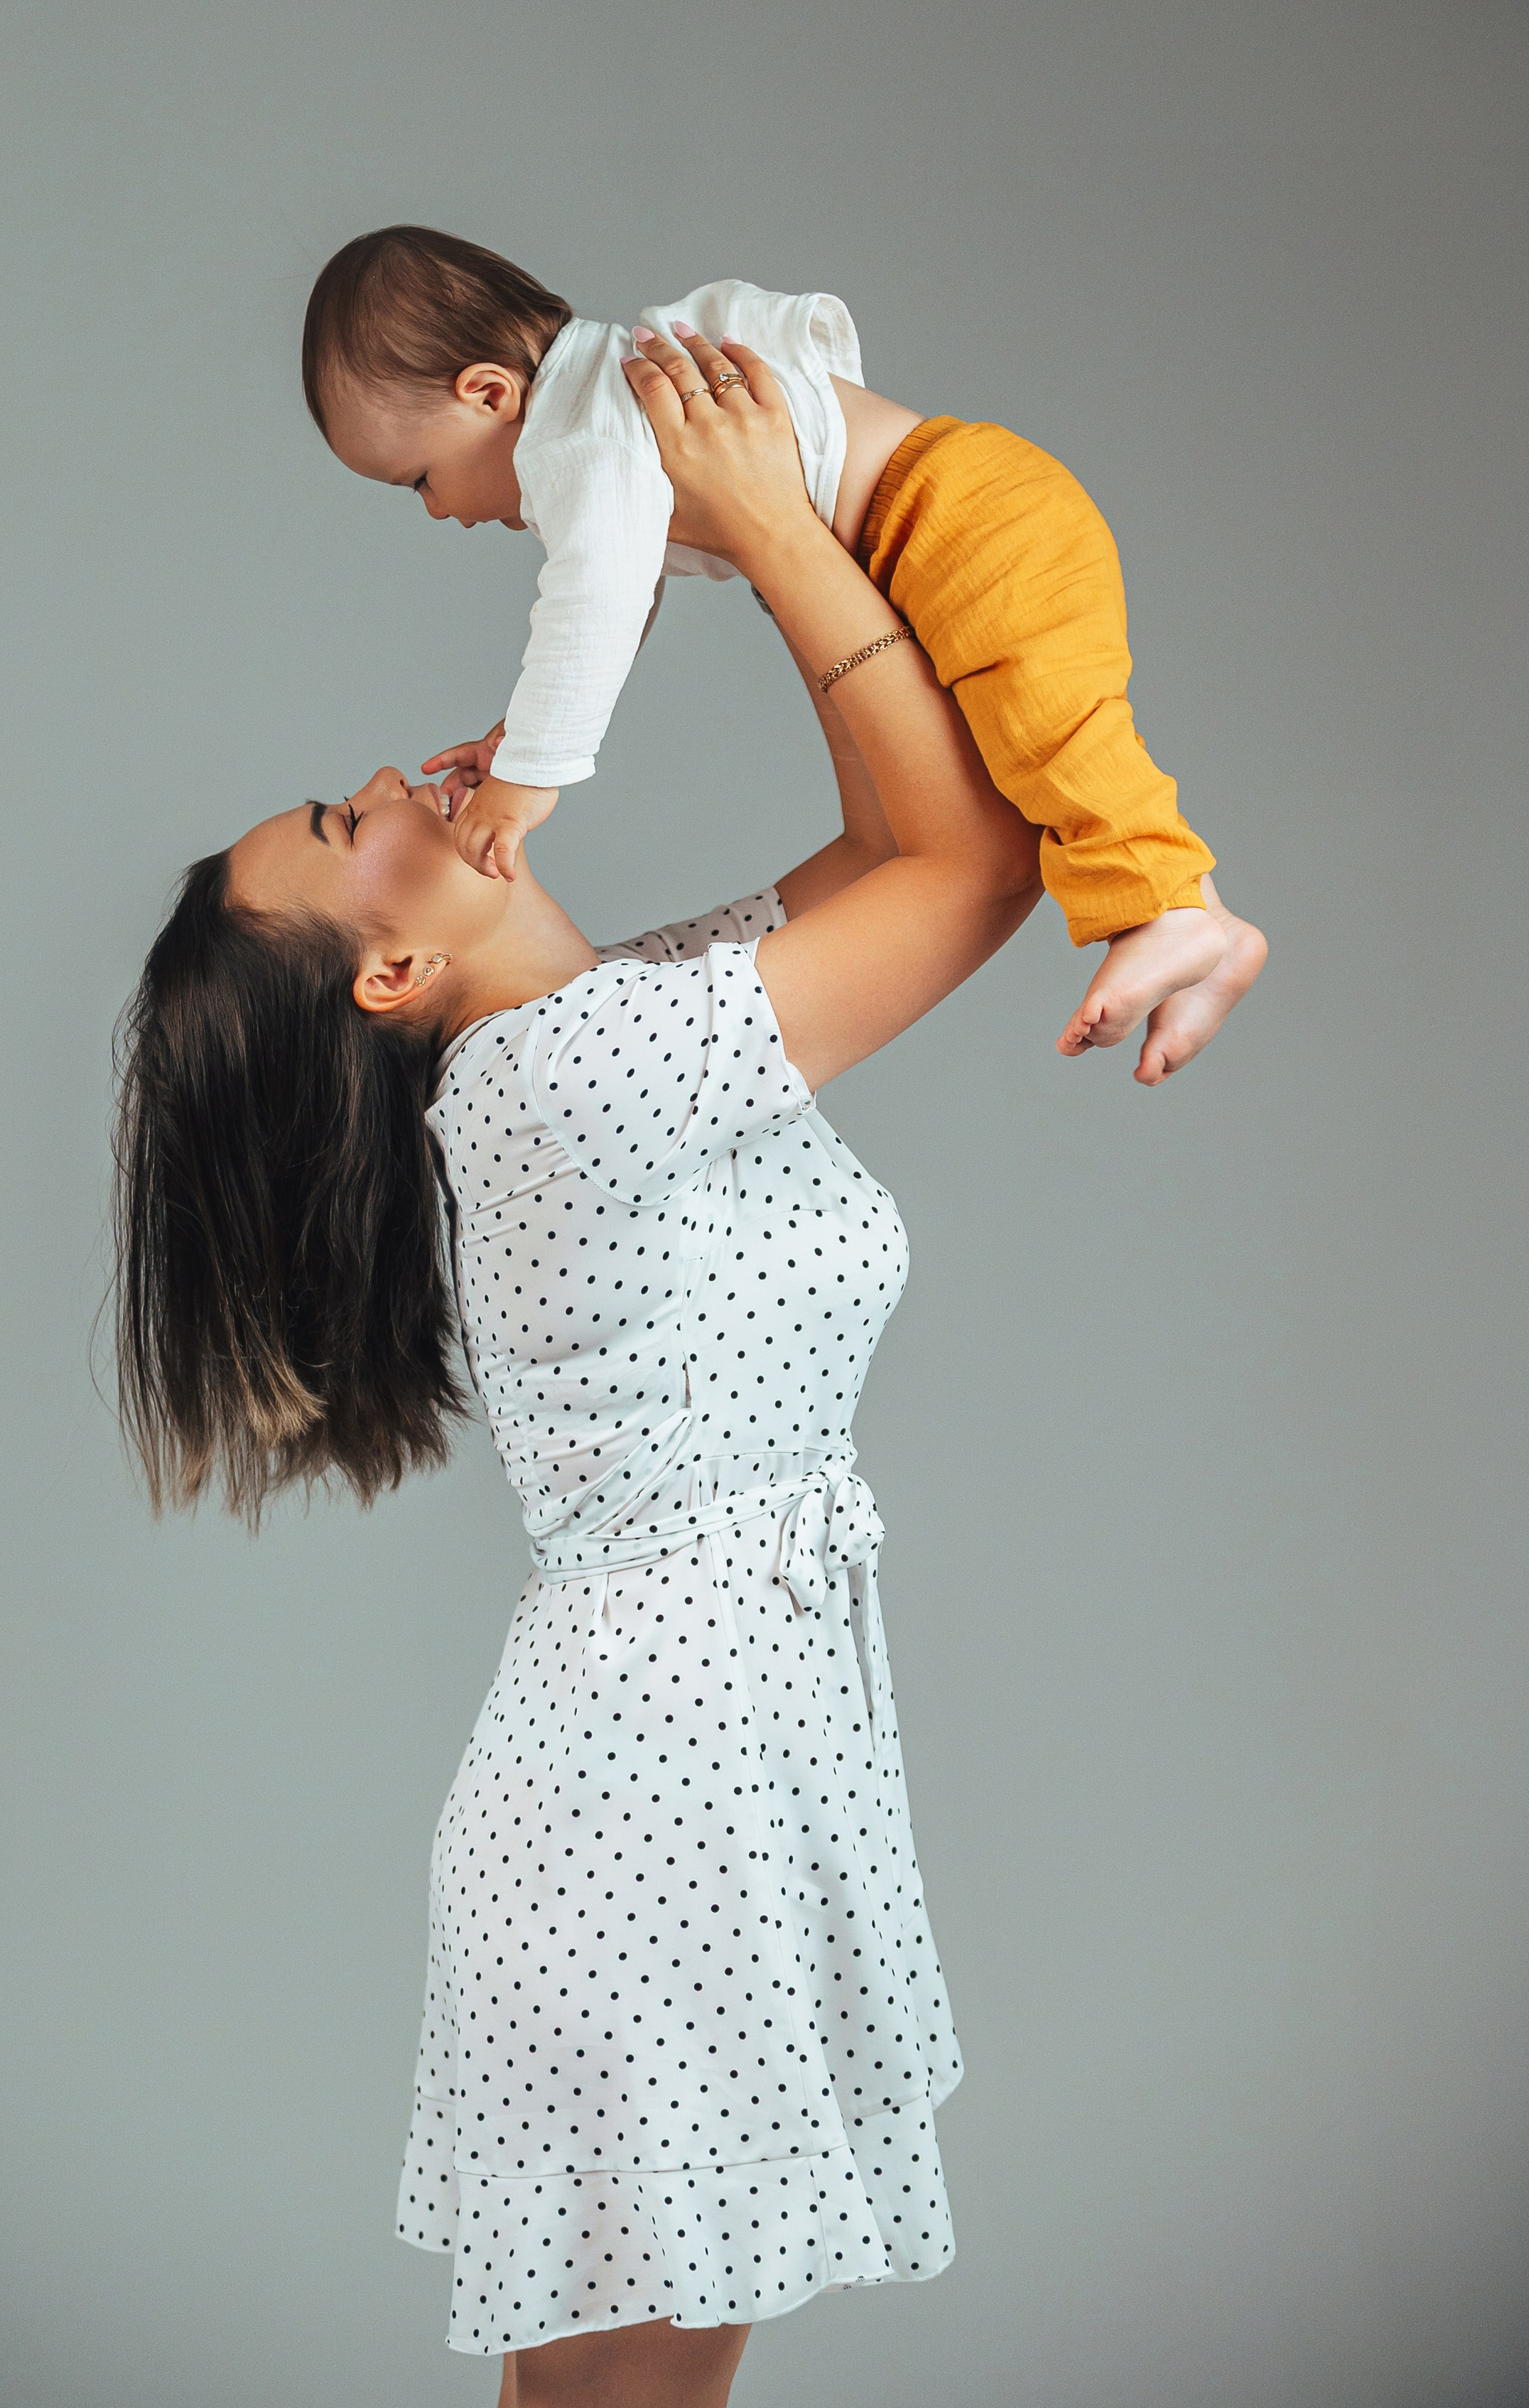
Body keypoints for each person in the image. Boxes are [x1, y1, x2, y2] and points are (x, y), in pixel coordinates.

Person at [113, 332, 1041, 2404]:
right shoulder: (572, 1083)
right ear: (391, 969)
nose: (420, 772)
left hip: (687, 1769)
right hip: (657, 1798)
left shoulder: (608, 1032)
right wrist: (784, 528)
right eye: (357, 817)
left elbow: (907, 830)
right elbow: (984, 870)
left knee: (619, 2397)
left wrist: (757, 528)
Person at [303, 227, 1267, 1086]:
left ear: (487, 393)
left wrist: (530, 779)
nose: (436, 509)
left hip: (954, 515)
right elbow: (622, 596)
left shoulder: (572, 438)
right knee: (1057, 744)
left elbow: (591, 600)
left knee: (1047, 736)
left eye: (420, 478)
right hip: (932, 526)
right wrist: (521, 734)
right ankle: (1197, 927)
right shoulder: (598, 410)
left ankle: (1169, 913)